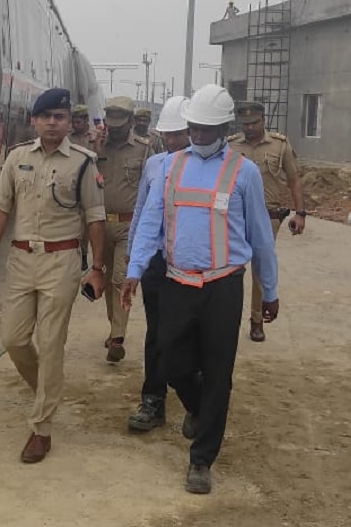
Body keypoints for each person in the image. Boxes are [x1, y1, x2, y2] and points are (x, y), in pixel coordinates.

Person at [121, 84, 279, 495]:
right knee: (173, 362)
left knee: (219, 373)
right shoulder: (170, 167)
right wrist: (134, 271)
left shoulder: (244, 172)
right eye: (193, 128)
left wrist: (270, 290)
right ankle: (197, 406)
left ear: (224, 128)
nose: (198, 136)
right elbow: (151, 221)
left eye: (207, 129)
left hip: (223, 286)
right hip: (177, 283)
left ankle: (201, 459)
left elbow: (261, 238)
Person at [0, 87, 107, 463]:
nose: (53, 122)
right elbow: (1, 207)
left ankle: (42, 428)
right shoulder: (17, 158)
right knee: (14, 339)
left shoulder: (84, 162)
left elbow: (95, 218)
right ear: (34, 121)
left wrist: (97, 268)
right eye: (46, 116)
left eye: (60, 117)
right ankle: (46, 391)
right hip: (22, 260)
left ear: (70, 123)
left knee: (51, 344)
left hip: (62, 261)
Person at [125, 95, 191, 432]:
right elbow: (141, 210)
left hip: (191, 266)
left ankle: (195, 399)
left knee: (188, 334)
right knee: (157, 333)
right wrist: (133, 256)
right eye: (168, 135)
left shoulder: (206, 168)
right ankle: (153, 399)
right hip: (155, 263)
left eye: (178, 134)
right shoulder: (154, 166)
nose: (172, 141)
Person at [227, 101, 307, 342]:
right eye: (246, 124)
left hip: (268, 216)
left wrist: (300, 213)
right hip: (236, 217)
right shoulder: (231, 146)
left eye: (255, 123)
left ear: (263, 121)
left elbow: (294, 180)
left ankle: (257, 320)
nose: (250, 128)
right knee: (232, 270)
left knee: (261, 269)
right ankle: (227, 318)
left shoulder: (279, 145)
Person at [94, 96, 155, 363]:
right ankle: (113, 327)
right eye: (111, 124)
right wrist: (94, 150)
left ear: (130, 122)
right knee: (107, 281)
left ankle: (118, 337)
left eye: (120, 124)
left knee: (121, 279)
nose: (115, 129)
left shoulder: (144, 150)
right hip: (98, 226)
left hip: (129, 226)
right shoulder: (94, 147)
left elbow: (154, 188)